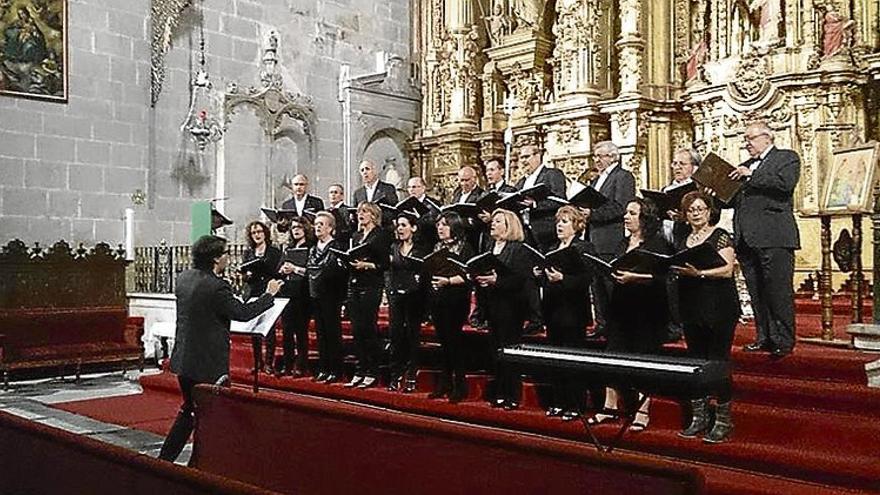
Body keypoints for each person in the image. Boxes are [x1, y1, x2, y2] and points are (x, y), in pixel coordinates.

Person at [158, 235, 282, 463]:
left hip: (184, 358)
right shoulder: (216, 287)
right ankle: (199, 463)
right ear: (216, 258)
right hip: (208, 363)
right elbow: (242, 313)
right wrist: (269, 295)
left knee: (188, 410)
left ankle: (165, 460)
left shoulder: (184, 278)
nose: (228, 258)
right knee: (210, 416)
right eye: (225, 253)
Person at [588, 198, 671, 431]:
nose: (626, 216)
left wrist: (636, 278)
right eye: (626, 212)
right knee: (612, 355)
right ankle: (609, 407)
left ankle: (642, 411)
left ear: (645, 218)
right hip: (622, 306)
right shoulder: (623, 242)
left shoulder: (657, 244)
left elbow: (664, 278)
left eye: (632, 213)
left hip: (647, 309)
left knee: (644, 359)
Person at [727, 121, 800, 358]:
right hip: (747, 238)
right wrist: (716, 192)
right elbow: (732, 200)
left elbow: (784, 185)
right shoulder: (744, 167)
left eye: (751, 138)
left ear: (767, 137)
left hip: (774, 235)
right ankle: (764, 337)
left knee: (778, 290)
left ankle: (784, 339)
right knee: (756, 290)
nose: (747, 143)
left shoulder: (787, 158)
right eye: (745, 138)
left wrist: (752, 175)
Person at [672, 191, 740, 444]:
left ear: (710, 211)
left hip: (719, 305)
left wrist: (699, 273)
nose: (696, 213)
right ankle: (699, 417)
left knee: (717, 362)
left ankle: (723, 420)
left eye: (700, 208)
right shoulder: (683, 237)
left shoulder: (721, 236)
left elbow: (727, 270)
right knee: (696, 362)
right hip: (692, 305)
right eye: (691, 210)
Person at [534, 206, 595, 421]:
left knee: (572, 358)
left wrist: (563, 279)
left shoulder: (584, 247)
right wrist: (540, 274)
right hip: (553, 309)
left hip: (573, 311)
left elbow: (586, 279)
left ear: (576, 226)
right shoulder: (552, 247)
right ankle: (558, 401)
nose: (559, 225)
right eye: (558, 221)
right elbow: (546, 280)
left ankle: (575, 404)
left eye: (565, 222)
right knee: (555, 358)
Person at [475, 209, 533, 410]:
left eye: (498, 221)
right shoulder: (490, 246)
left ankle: (512, 394)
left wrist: (496, 280)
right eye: (493, 221)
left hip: (511, 307)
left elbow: (520, 279)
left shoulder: (518, 249)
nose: (493, 224)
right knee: (495, 351)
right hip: (492, 305)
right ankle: (499, 391)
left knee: (509, 350)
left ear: (509, 226)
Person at [584, 141, 636, 338]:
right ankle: (602, 323)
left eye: (601, 156)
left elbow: (620, 207)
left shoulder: (623, 176)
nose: (597, 160)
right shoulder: (597, 179)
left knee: (610, 284)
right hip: (593, 238)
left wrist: (591, 213)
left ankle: (617, 325)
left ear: (614, 157)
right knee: (597, 285)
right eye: (595, 156)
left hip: (609, 238)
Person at [427, 212, 474, 402]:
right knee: (443, 343)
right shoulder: (437, 246)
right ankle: (444, 383)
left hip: (456, 298)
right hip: (438, 298)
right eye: (438, 225)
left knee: (454, 343)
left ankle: (459, 385)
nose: (440, 228)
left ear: (454, 227)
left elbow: (469, 275)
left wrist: (447, 280)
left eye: (444, 225)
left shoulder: (465, 248)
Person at [344, 203, 392, 389]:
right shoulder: (355, 236)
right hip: (355, 283)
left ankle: (372, 370)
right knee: (356, 330)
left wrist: (368, 266)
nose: (360, 215)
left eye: (364, 212)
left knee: (368, 328)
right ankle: (359, 369)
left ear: (373, 215)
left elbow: (384, 263)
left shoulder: (381, 235)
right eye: (358, 212)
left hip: (372, 284)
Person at [387, 211, 430, 392]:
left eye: (404, 225)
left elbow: (425, 273)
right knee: (396, 334)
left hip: (415, 295)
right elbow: (389, 271)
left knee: (412, 334)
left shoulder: (422, 248)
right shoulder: (394, 247)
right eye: (398, 226)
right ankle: (396, 372)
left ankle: (412, 372)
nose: (400, 229)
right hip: (396, 294)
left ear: (413, 227)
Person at [307, 211, 349, 384]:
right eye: (316, 224)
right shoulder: (312, 248)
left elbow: (340, 273)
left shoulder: (337, 247)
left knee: (333, 333)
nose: (317, 227)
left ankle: (335, 369)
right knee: (320, 334)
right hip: (316, 295)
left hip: (332, 296)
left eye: (321, 224)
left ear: (331, 228)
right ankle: (324, 368)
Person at [241, 221, 283, 374]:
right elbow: (245, 274)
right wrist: (246, 275)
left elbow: (277, 272)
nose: (257, 235)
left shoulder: (274, 252)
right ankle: (258, 361)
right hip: (253, 292)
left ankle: (269, 362)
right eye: (253, 233)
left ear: (265, 233)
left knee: (269, 329)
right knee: (255, 330)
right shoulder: (248, 252)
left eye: (259, 231)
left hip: (268, 291)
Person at [276, 216, 316, 376]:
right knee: (286, 331)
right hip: (288, 292)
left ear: (305, 229)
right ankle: (287, 364)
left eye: (299, 227)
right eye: (293, 228)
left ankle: (301, 365)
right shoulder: (288, 248)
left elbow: (311, 271)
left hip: (303, 293)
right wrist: (283, 269)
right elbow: (279, 267)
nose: (296, 230)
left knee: (300, 331)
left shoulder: (311, 247)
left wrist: (295, 268)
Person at [514, 144, 567, 251]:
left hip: (546, 231)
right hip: (524, 233)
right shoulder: (521, 182)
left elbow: (560, 200)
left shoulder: (552, 174)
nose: (523, 161)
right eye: (521, 158)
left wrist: (535, 204)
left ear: (538, 156)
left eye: (526, 157)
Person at [406, 176, 442, 247]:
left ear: (423, 188)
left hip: (428, 241)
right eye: (409, 187)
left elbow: (434, 223)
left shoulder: (433, 203)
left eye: (414, 187)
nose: (411, 190)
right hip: (410, 242)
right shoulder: (406, 204)